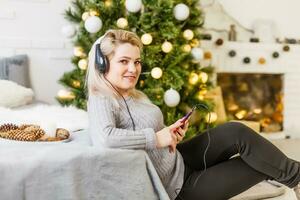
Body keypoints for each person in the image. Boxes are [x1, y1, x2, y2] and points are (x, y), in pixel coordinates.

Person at [86, 29, 300, 200]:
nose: (134, 68)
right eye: (124, 61)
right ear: (103, 63)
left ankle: (297, 175)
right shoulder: (101, 98)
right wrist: (157, 138)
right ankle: (297, 176)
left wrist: (169, 133)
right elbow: (105, 137)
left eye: (137, 61)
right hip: (176, 189)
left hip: (179, 159)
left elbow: (147, 133)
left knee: (236, 131)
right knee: (259, 165)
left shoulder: (133, 94)